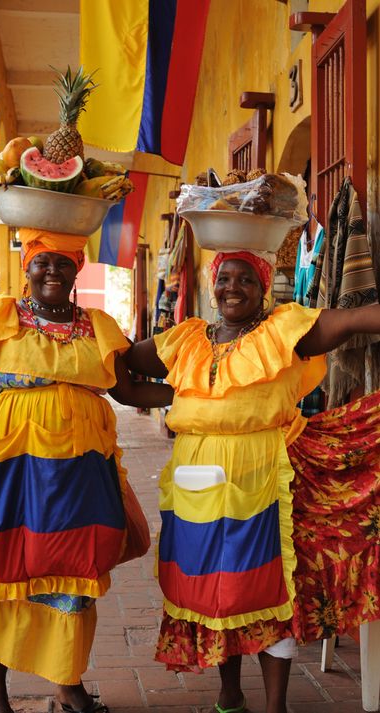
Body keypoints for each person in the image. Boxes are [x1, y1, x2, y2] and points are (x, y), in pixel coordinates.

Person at [0, 227, 173, 713]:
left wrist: (208, 397)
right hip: (10, 470)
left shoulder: (97, 327)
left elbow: (131, 392)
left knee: (77, 569)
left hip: (83, 471)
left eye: (63, 263)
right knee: (6, 567)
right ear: (27, 267)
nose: (52, 271)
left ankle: (67, 683)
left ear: (78, 270)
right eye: (42, 262)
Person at [124, 248, 380, 713]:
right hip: (194, 477)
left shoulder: (284, 331)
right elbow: (121, 372)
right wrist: (182, 394)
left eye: (245, 280)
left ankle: (276, 704)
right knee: (210, 587)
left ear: (264, 289)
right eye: (225, 278)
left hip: (262, 473)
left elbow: (356, 318)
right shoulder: (186, 339)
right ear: (212, 283)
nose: (232, 288)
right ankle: (229, 694)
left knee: (264, 587)